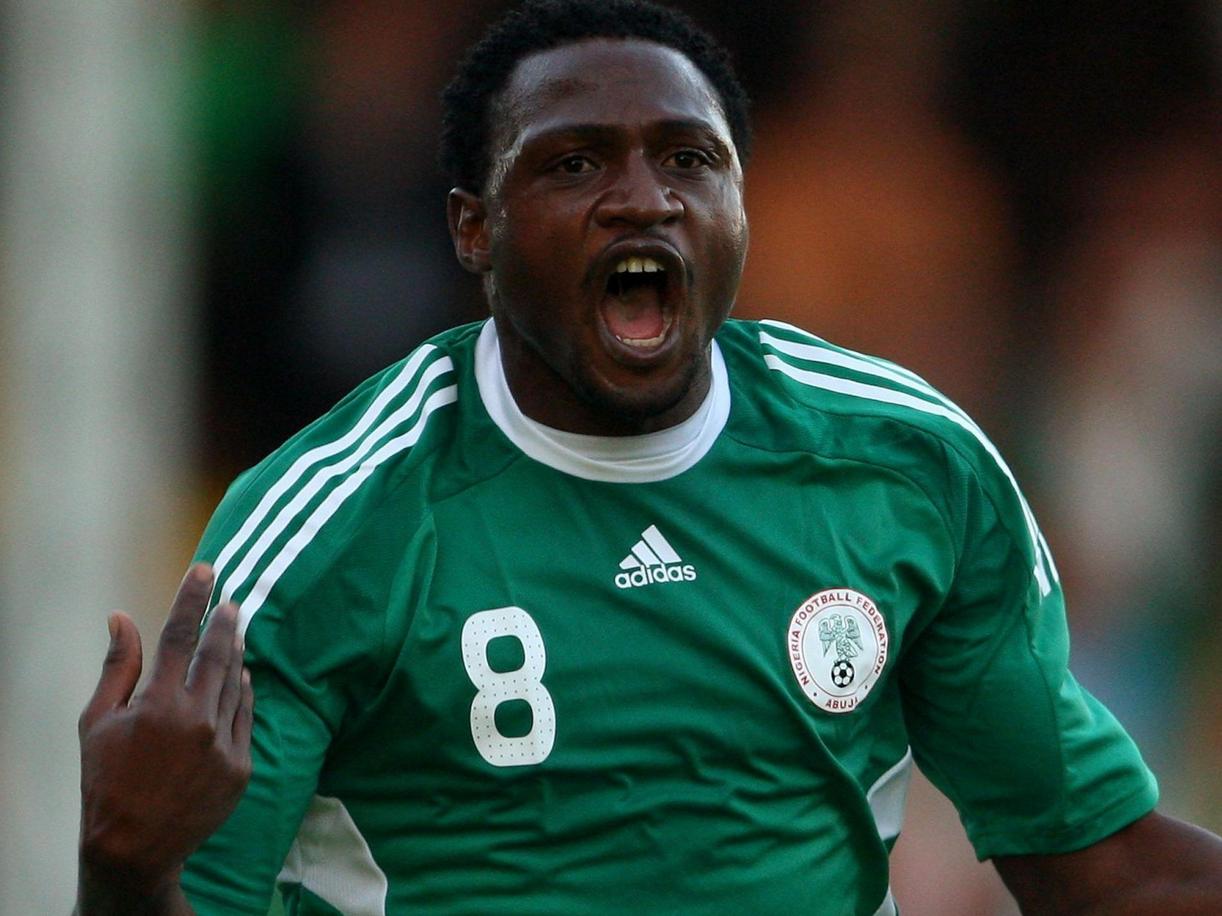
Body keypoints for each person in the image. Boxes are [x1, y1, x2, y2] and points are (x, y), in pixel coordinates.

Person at [75, 1, 1222, 913]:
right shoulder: (331, 526)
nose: (642, 200)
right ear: (473, 228)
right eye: (575, 165)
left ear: (741, 207)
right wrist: (123, 871)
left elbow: (1096, 867)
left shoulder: (905, 465)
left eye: (687, 160)